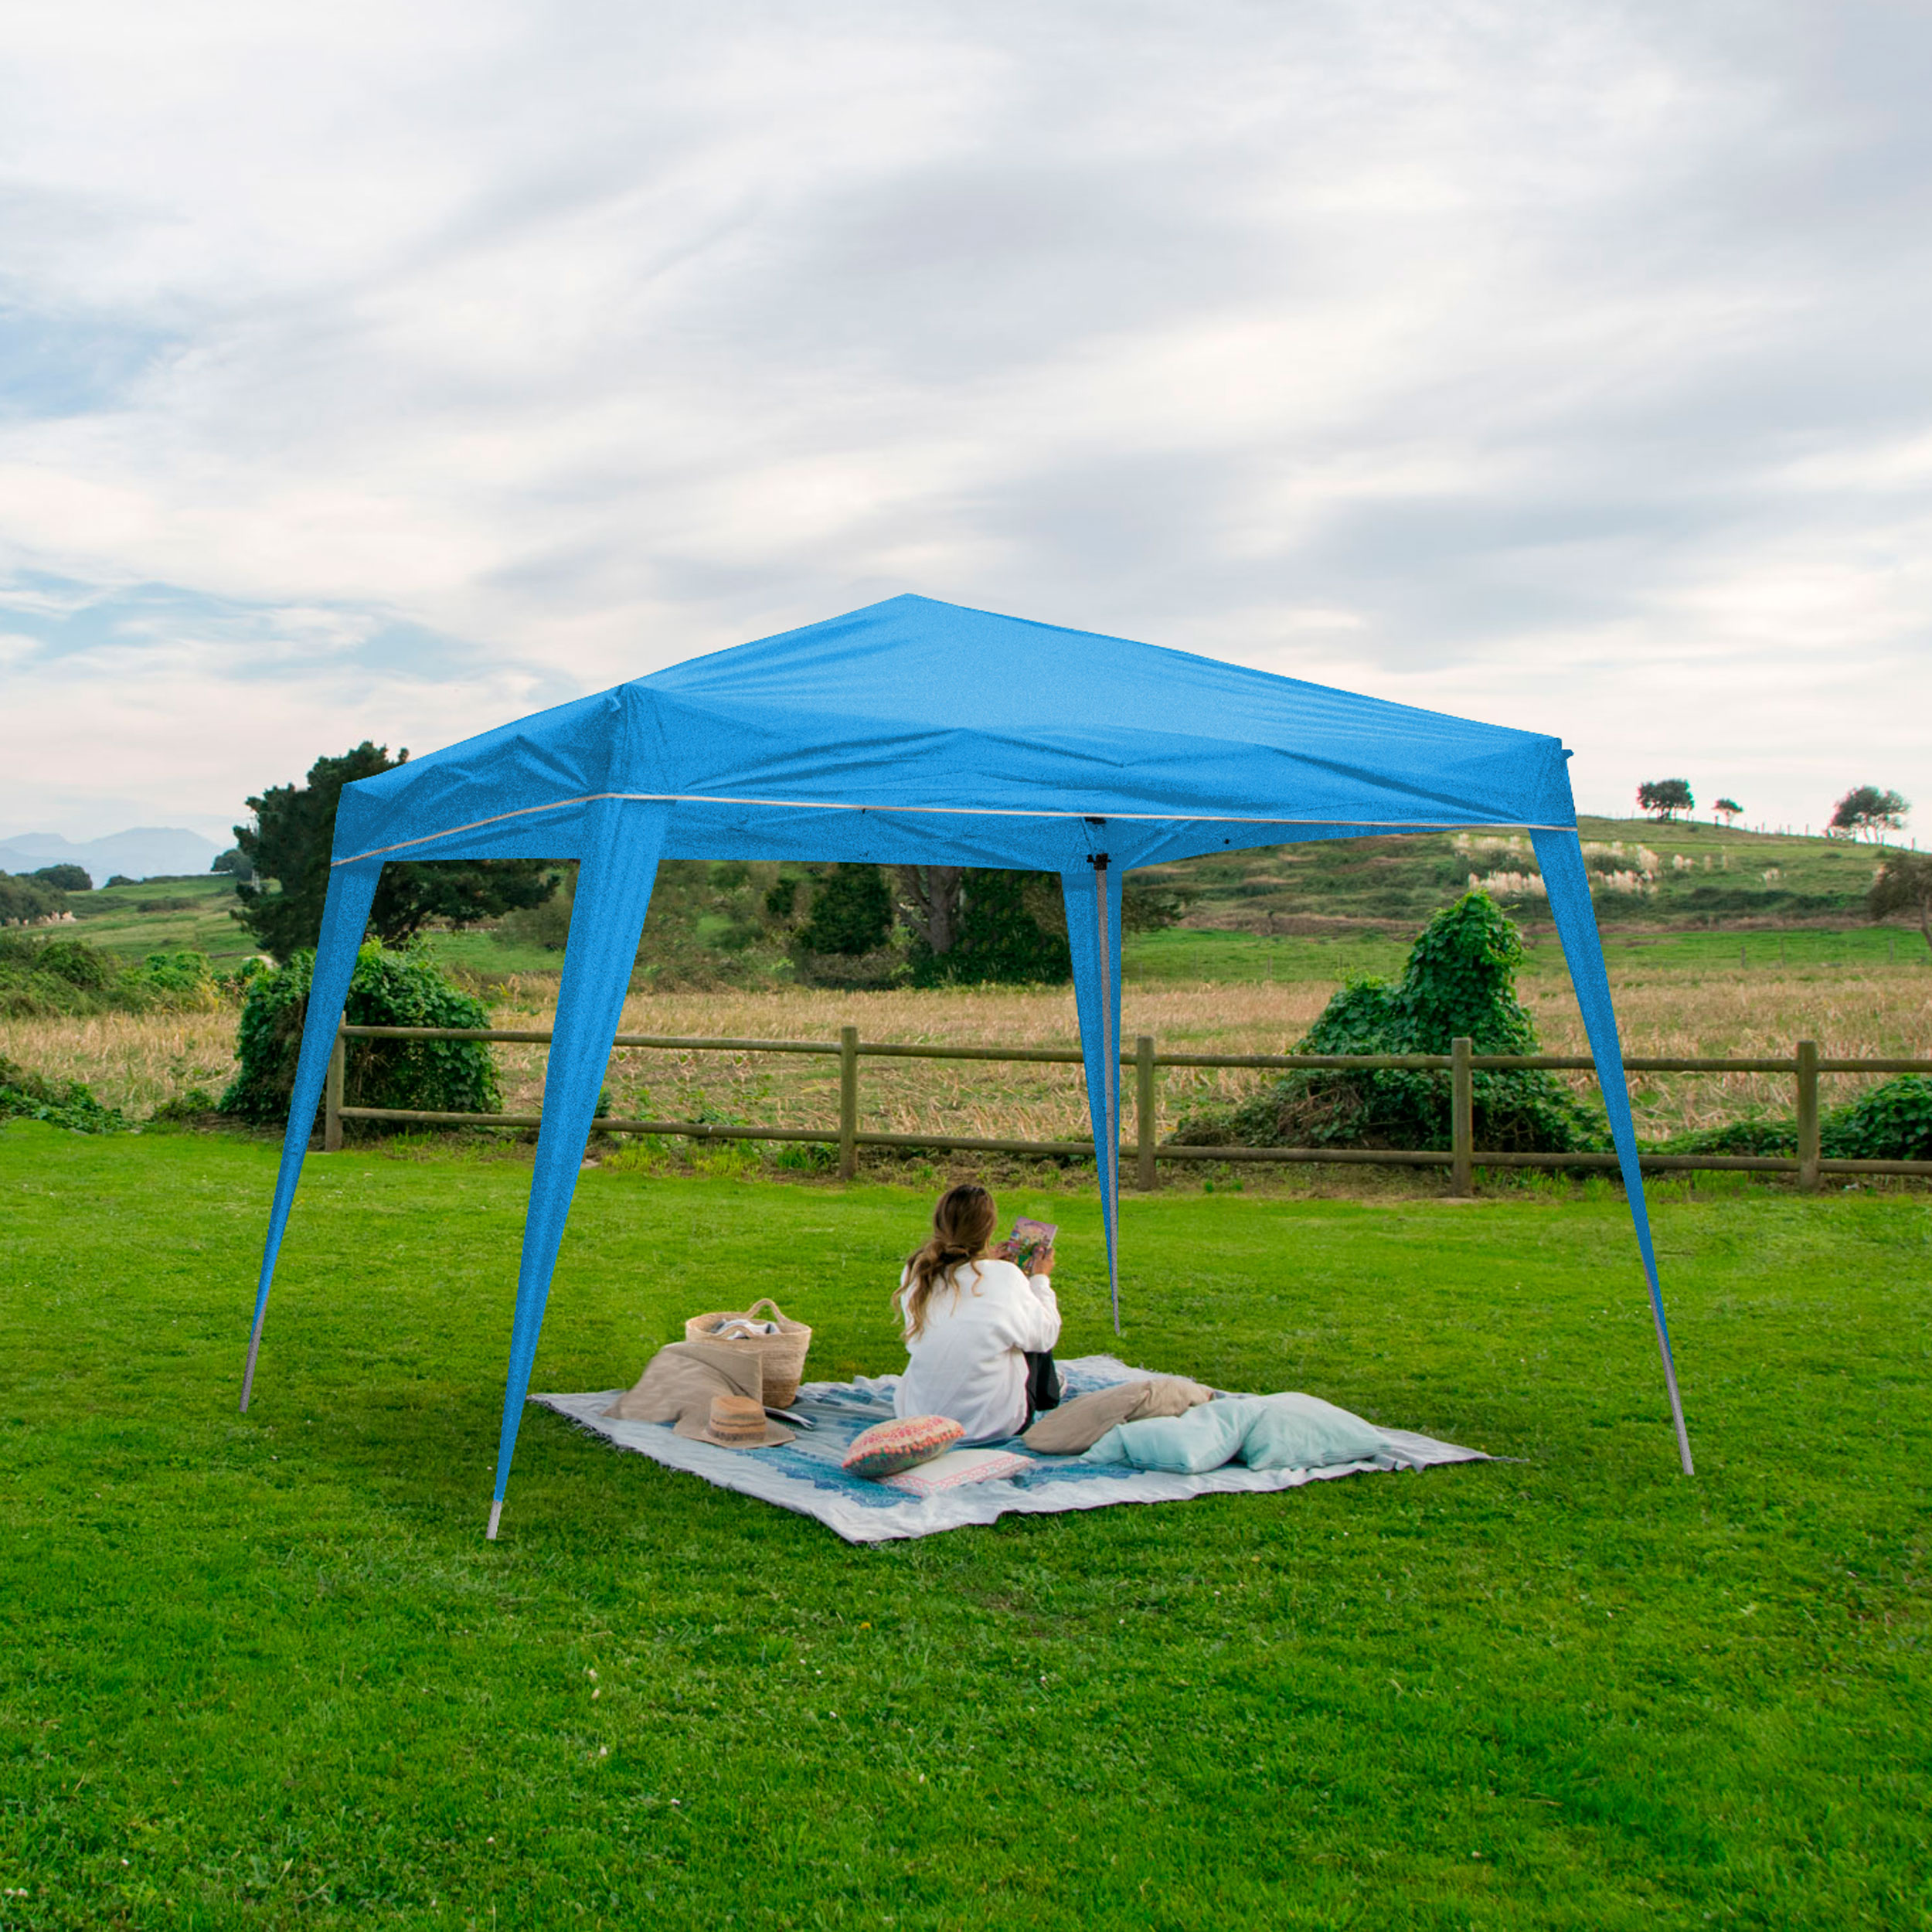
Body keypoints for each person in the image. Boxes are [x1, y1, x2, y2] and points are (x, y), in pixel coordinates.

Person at [894, 1182, 1061, 1443]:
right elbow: (1046, 1335)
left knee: (1008, 1323)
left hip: (919, 1416)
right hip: (991, 1424)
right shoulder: (1006, 1276)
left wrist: (985, 1263)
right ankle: (1048, 1392)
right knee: (1031, 1324)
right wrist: (1039, 1280)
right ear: (990, 1229)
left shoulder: (917, 1271)